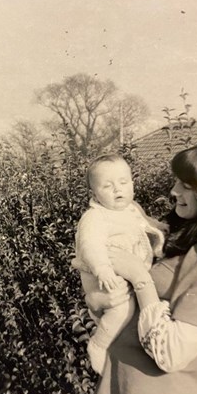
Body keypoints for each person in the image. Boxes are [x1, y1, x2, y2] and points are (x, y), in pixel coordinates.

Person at [82, 140, 197, 394]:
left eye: (186, 186)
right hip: (131, 385)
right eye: (176, 182)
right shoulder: (184, 230)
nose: (173, 191)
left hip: (171, 393)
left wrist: (140, 278)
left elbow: (171, 353)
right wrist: (95, 302)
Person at [74, 153, 166, 375]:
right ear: (94, 193)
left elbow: (147, 225)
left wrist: (162, 232)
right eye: (107, 186)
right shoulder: (96, 217)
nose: (118, 189)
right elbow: (90, 245)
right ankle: (98, 345)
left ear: (132, 183)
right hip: (101, 275)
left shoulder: (131, 209)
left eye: (123, 182)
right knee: (123, 308)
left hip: (123, 273)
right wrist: (102, 269)